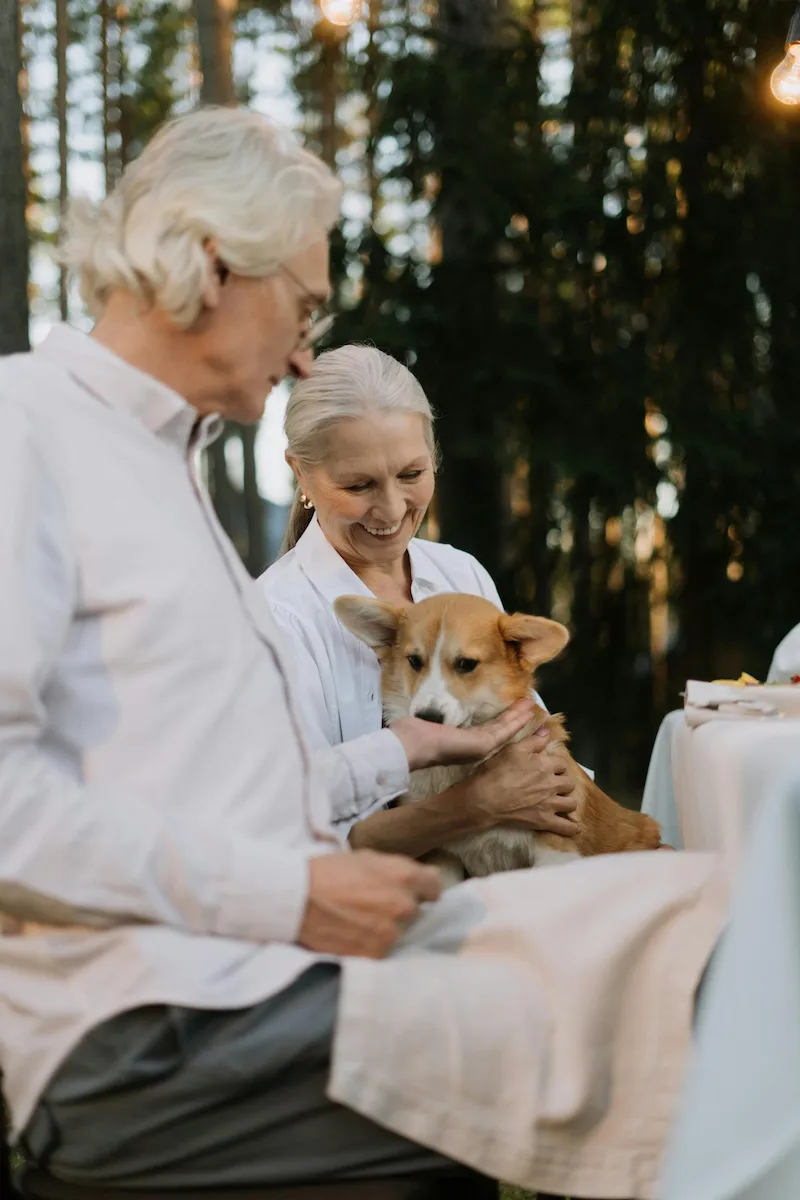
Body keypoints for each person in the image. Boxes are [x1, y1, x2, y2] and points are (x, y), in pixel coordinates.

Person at [0, 105, 539, 1190]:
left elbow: (206, 789)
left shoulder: (160, 469)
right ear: (210, 266)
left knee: (647, 947)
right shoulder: (25, 435)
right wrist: (289, 896)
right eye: (300, 307)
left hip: (239, 983)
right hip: (151, 1036)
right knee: (627, 1013)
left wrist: (406, 749)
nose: (304, 352)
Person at [259, 344, 579, 855]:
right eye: (359, 484)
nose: (391, 509)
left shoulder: (458, 572)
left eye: (411, 475)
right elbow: (301, 837)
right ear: (301, 473)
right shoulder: (274, 619)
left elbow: (536, 744)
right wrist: (477, 806)